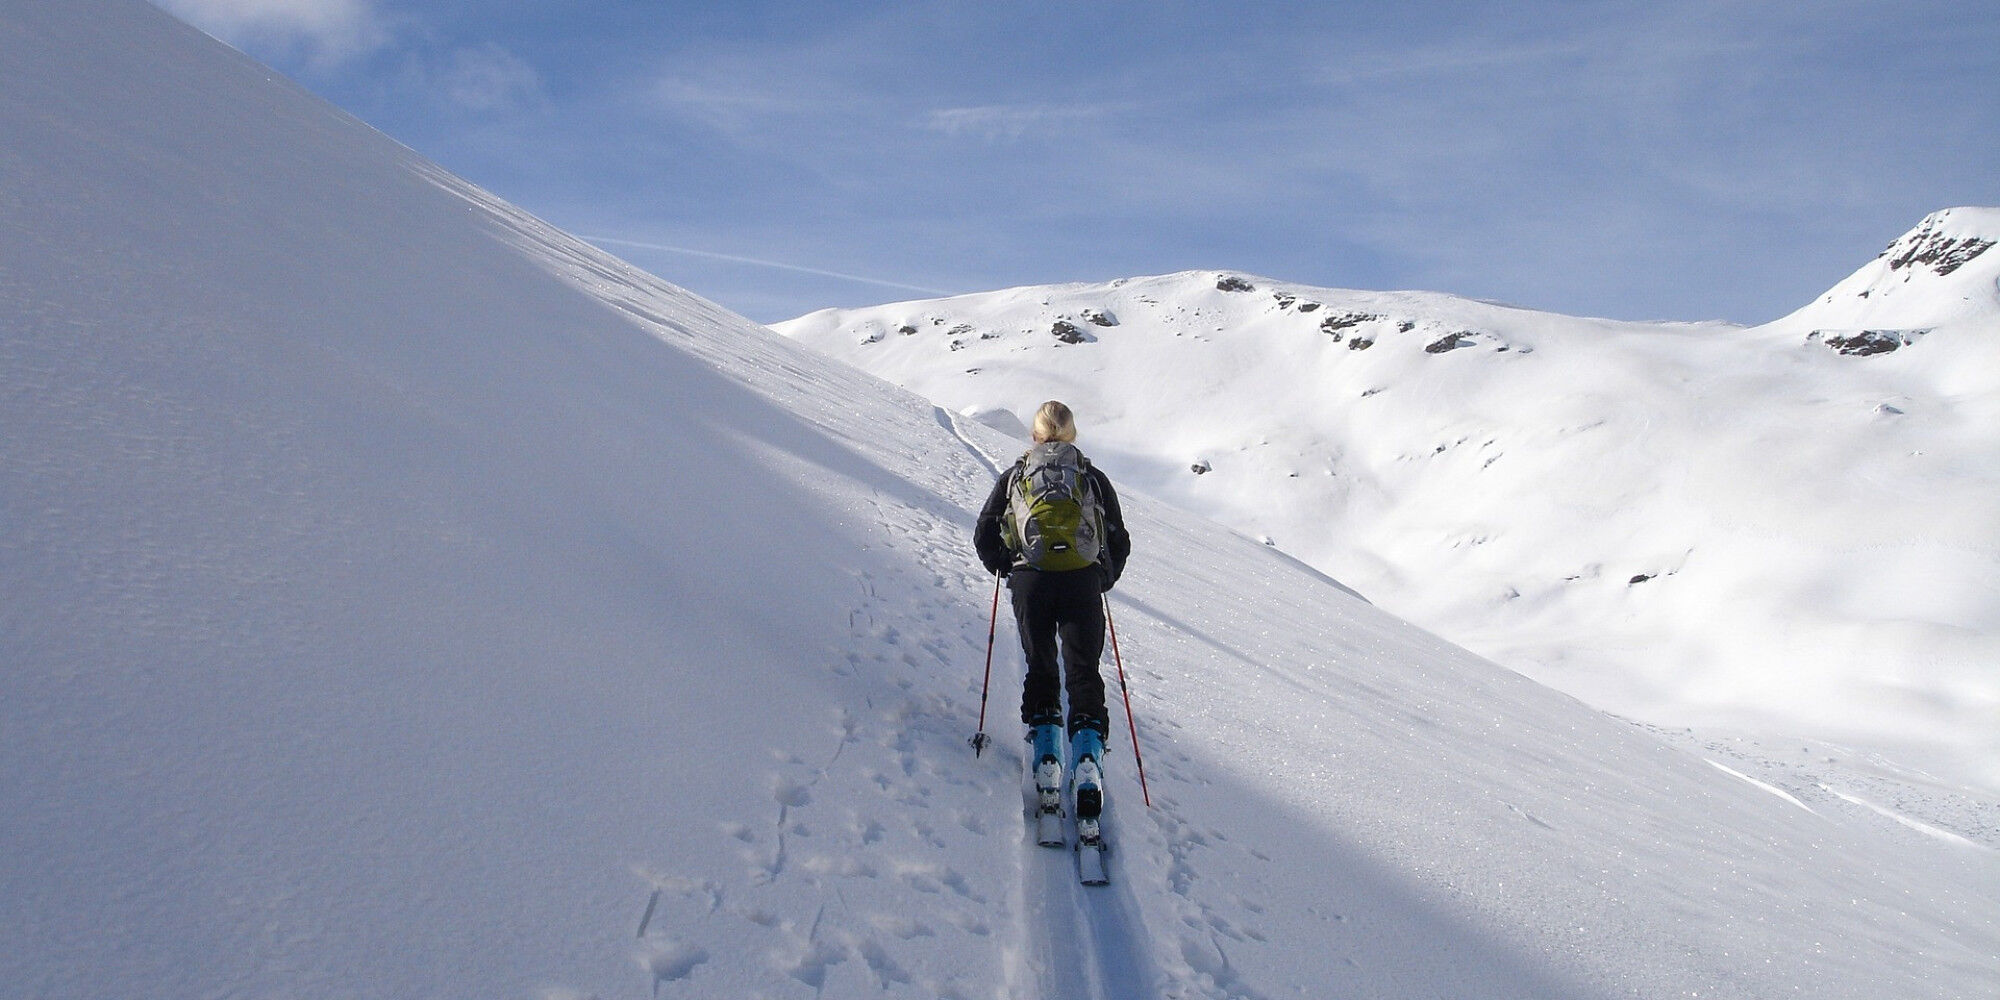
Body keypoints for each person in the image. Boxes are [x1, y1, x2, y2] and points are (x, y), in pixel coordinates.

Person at [973, 401, 1131, 783]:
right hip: (1082, 580)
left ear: (1035, 434)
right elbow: (1119, 540)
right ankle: (1089, 759)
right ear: (1072, 434)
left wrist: (1004, 566)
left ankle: (1047, 758)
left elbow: (984, 532)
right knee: (1083, 670)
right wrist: (1102, 577)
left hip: (1032, 581)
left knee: (1041, 665)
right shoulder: (1092, 478)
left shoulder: (1016, 475)